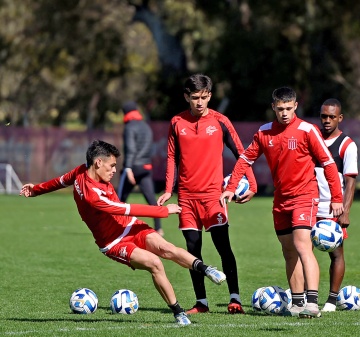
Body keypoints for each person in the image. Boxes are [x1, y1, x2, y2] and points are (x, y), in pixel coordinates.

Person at [19, 140, 227, 326]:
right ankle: (179, 312)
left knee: (167, 248)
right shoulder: (93, 196)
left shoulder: (81, 170)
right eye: (111, 165)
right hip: (114, 242)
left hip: (129, 225)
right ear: (98, 163)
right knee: (155, 264)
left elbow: (59, 182)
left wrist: (36, 189)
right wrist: (163, 211)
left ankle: (207, 269)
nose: (114, 170)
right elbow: (127, 208)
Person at [220, 87, 345, 319]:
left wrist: (337, 198)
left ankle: (312, 302)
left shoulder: (307, 130)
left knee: (302, 246)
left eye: (289, 108)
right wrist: (230, 188)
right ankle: (297, 303)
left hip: (305, 197)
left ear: (295, 106)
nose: (285, 113)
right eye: (280, 109)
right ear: (273, 108)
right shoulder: (264, 132)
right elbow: (245, 159)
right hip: (281, 200)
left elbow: (328, 163)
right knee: (288, 252)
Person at [157, 74, 257, 315]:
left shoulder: (220, 121)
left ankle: (235, 299)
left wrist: (251, 185)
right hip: (187, 199)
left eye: (203, 97)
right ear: (186, 97)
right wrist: (169, 189)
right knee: (193, 251)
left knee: (224, 247)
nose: (199, 102)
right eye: (194, 98)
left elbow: (242, 154)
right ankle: (201, 302)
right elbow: (172, 157)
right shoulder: (176, 122)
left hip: (214, 198)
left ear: (210, 95)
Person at [314, 98, 358, 312]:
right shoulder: (312, 138)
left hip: (334, 210)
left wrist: (345, 212)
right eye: (324, 116)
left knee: (336, 254)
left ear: (340, 118)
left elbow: (350, 181)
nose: (327, 120)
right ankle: (304, 295)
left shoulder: (347, 145)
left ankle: (331, 299)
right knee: (303, 251)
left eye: (332, 116)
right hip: (309, 207)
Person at [117, 101, 163, 236]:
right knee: (152, 201)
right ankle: (159, 229)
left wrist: (128, 168)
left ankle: (111, 225)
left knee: (119, 200)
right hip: (146, 167)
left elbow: (130, 149)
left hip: (133, 167)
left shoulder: (129, 127)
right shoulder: (146, 126)